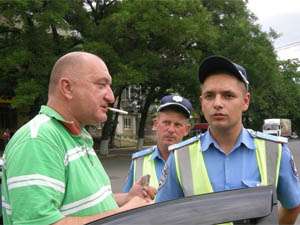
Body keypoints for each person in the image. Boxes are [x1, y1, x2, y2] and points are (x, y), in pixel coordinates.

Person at [1, 52, 154, 225]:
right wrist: (127, 212)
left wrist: (127, 198)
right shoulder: (38, 140)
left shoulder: (77, 136)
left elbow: (85, 204)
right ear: (67, 88)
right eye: (101, 85)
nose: (111, 97)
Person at [155, 55, 300, 224]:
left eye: (228, 96)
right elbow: (162, 216)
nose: (217, 103)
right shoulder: (180, 157)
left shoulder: (274, 151)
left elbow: (293, 205)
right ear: (202, 102)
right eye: (209, 96)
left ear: (245, 101)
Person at [122, 94, 192, 192]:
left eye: (177, 125)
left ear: (186, 130)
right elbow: (127, 199)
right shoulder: (139, 161)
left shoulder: (195, 159)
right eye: (166, 123)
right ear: (155, 124)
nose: (171, 130)